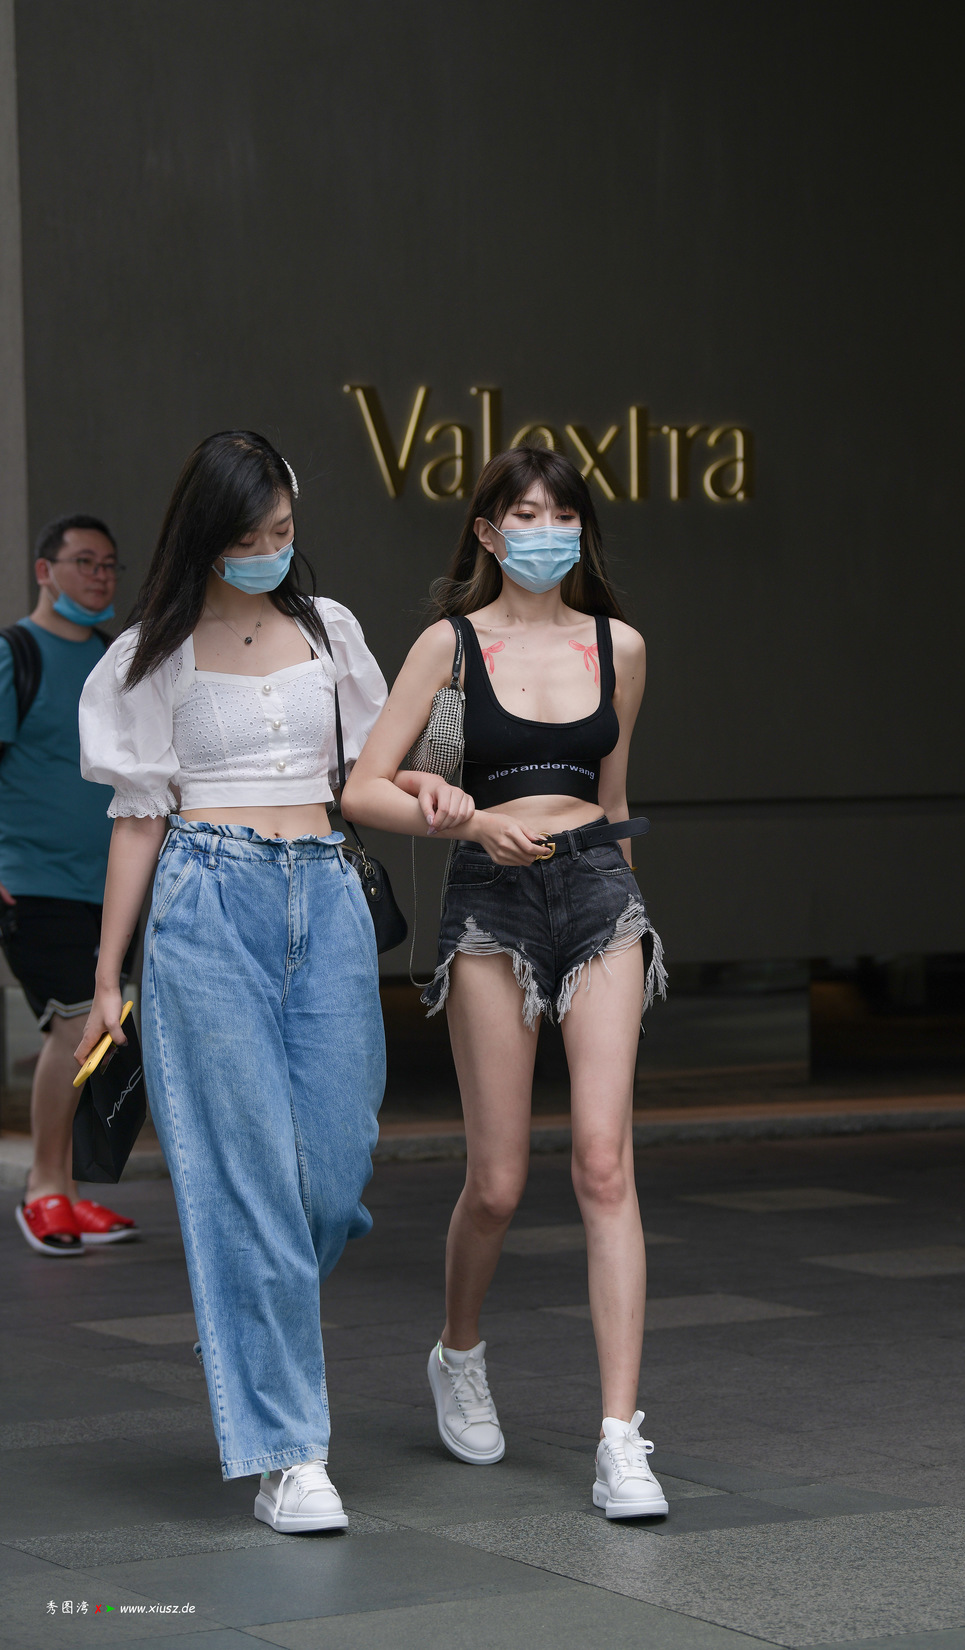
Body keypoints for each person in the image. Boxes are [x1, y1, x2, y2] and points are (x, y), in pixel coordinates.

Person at [76, 431, 468, 1532]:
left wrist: (432, 794)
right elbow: (138, 818)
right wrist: (107, 976)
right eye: (249, 537)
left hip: (326, 895)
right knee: (246, 1181)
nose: (269, 551)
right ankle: (289, 1458)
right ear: (206, 536)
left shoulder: (328, 629)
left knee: (331, 1178)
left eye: (283, 532)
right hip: (205, 902)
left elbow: (377, 772)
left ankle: (253, 1290)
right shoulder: (152, 654)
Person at [342, 445, 670, 1519]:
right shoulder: (449, 643)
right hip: (490, 894)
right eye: (524, 514)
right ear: (487, 531)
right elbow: (362, 790)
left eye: (562, 514)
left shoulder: (618, 645)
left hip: (598, 893)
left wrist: (626, 909)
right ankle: (458, 1352)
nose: (546, 531)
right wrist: (467, 819)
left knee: (604, 1165)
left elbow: (613, 796)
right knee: (496, 1182)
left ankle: (620, 1438)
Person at [0, 514, 139, 1254]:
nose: (99, 576)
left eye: (109, 565)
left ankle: (74, 1194)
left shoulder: (115, 660)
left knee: (100, 1033)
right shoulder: (14, 653)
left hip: (110, 887)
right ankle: (43, 1188)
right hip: (34, 881)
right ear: (44, 570)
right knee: (76, 1021)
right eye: (84, 562)